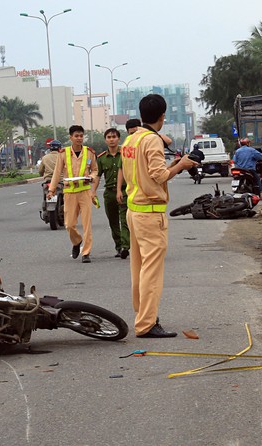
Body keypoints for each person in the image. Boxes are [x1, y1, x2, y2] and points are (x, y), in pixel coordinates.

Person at [121, 93, 196, 338]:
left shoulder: (131, 140)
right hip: (150, 213)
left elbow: (142, 170)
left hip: (134, 211)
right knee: (151, 273)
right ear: (163, 116)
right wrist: (180, 166)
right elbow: (159, 175)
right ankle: (146, 324)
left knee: (139, 270)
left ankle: (143, 315)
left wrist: (172, 163)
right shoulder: (152, 140)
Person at [47, 125, 98, 263]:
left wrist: (92, 177)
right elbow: (57, 172)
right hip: (69, 192)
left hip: (85, 191)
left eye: (81, 136)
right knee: (69, 224)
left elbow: (95, 170)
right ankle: (76, 241)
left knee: (87, 224)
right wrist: (51, 190)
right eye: (76, 136)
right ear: (71, 138)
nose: (79, 138)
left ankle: (86, 252)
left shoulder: (89, 153)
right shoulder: (63, 153)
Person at [93, 128, 130, 259]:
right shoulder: (101, 158)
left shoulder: (125, 154)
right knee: (113, 221)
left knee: (124, 219)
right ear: (105, 140)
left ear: (119, 139)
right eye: (108, 137)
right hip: (109, 193)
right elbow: (97, 176)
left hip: (125, 192)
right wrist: (93, 192)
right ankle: (119, 246)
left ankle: (126, 246)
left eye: (114, 137)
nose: (111, 139)